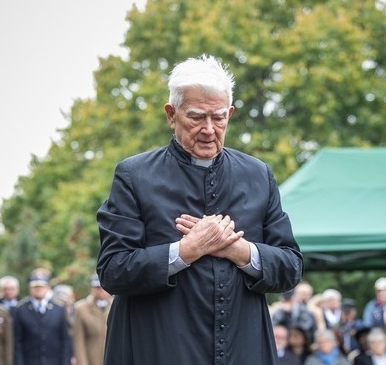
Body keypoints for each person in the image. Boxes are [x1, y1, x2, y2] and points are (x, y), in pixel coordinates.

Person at [96, 54, 304, 365]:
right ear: (171, 114)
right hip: (157, 349)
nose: (209, 129)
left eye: (219, 117)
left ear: (230, 114)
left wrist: (240, 250)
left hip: (242, 349)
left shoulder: (258, 175)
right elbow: (113, 270)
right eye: (196, 117)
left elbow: (291, 266)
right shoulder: (134, 176)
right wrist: (185, 251)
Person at [13, 268, 72, 365]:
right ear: (29, 288)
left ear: (48, 287)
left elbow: (65, 340)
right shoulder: (21, 310)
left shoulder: (59, 309)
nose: (38, 289)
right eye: (35, 286)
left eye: (41, 286)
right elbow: (17, 342)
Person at [73, 274, 113, 365]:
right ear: (92, 289)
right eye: (97, 287)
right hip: (92, 358)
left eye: (103, 287)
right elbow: (79, 341)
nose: (101, 290)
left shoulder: (115, 305)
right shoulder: (81, 308)